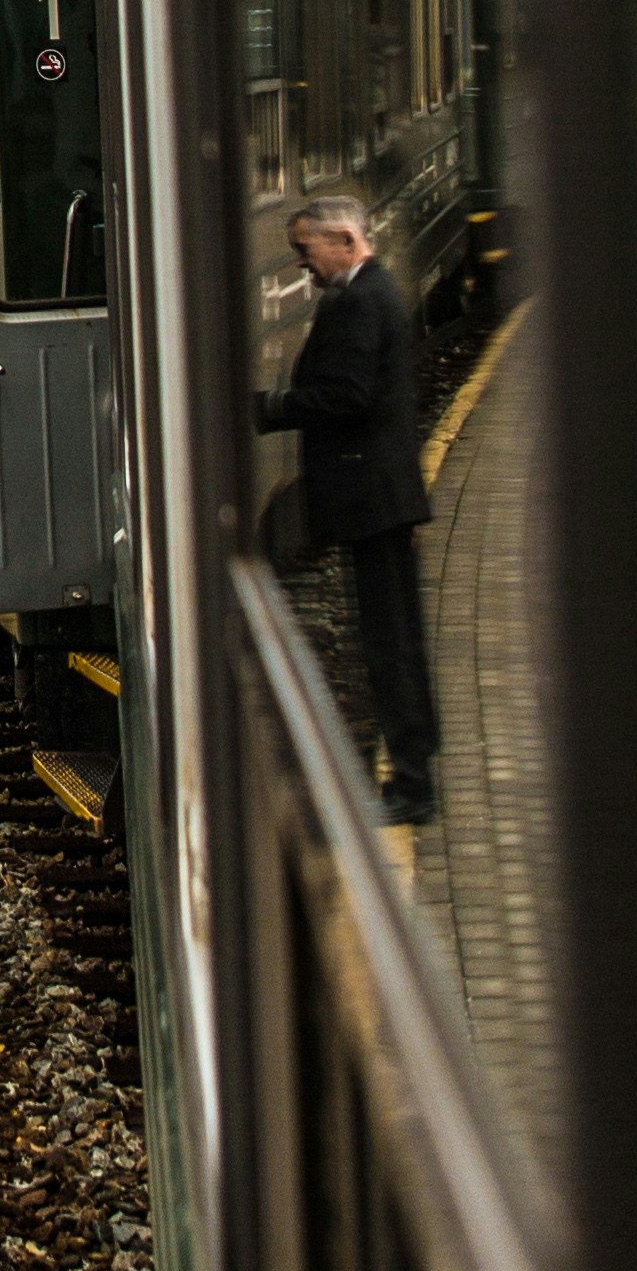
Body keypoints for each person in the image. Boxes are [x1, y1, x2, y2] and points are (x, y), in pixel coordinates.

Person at [257, 187, 441, 827]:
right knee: (394, 638)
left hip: (373, 497)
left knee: (390, 643)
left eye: (306, 251)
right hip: (380, 495)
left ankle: (412, 787)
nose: (303, 265)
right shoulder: (367, 292)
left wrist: (267, 408)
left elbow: (348, 395)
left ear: (343, 241)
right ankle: (412, 773)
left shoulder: (360, 300)